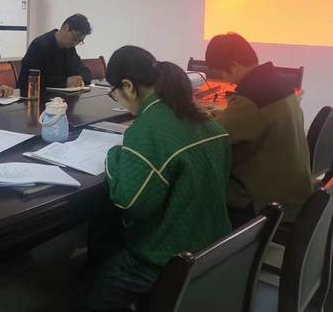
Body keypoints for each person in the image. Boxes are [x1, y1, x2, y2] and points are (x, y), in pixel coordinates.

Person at [89, 46, 231, 310]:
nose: (116, 99)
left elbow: (130, 202)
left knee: (98, 277)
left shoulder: (147, 129)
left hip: (169, 261)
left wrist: (114, 155)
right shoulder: (208, 122)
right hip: (214, 248)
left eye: (114, 92)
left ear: (128, 86)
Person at [205, 32, 311, 222]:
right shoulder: (278, 83)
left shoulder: (252, 97)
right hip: (293, 189)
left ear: (234, 65)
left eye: (222, 73)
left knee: (199, 181)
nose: (226, 80)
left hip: (267, 201)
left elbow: (212, 135)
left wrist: (196, 115)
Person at [18, 13, 93, 96]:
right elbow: (30, 80)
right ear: (66, 28)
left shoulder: (69, 48)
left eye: (79, 42)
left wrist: (80, 78)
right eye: (75, 38)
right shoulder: (40, 45)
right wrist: (65, 82)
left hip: (60, 99)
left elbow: (84, 71)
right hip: (34, 99)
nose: (75, 44)